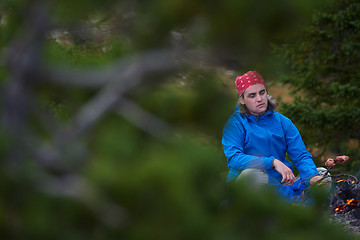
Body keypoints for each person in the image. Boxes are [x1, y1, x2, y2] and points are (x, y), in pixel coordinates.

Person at [222, 70, 347, 203]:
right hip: (252, 186)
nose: (259, 99)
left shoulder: (283, 122)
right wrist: (272, 162)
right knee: (252, 175)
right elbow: (234, 158)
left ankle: (295, 209)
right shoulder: (235, 123)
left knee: (322, 175)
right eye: (252, 95)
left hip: (282, 183)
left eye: (262, 92)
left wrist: (312, 177)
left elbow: (301, 156)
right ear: (242, 100)